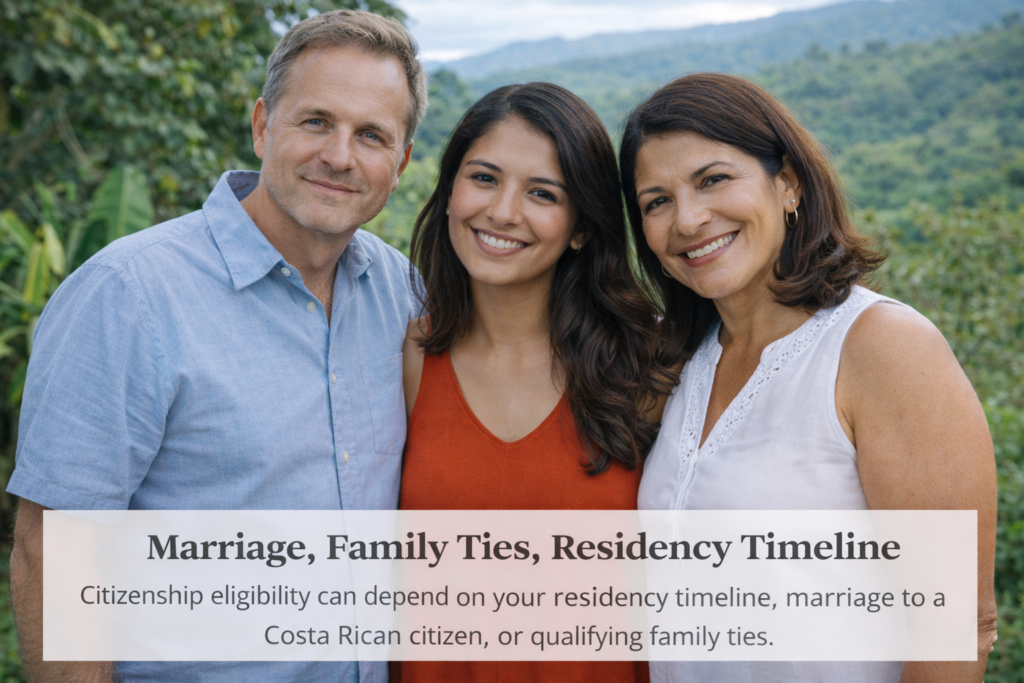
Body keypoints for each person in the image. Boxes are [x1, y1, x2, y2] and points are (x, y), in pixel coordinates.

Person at [6, 9, 427, 683]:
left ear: (400, 163)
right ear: (263, 126)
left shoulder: (401, 293)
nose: (340, 156)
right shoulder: (130, 293)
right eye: (315, 121)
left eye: (371, 135)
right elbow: (53, 550)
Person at [620, 72, 998, 683]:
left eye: (713, 179)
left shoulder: (882, 349)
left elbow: (956, 629)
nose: (687, 219)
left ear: (788, 185)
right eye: (656, 201)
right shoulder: (676, 358)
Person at [393, 82, 673, 683]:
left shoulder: (649, 364)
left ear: (580, 227)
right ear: (448, 194)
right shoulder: (412, 357)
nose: (502, 211)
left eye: (542, 193)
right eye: (485, 178)